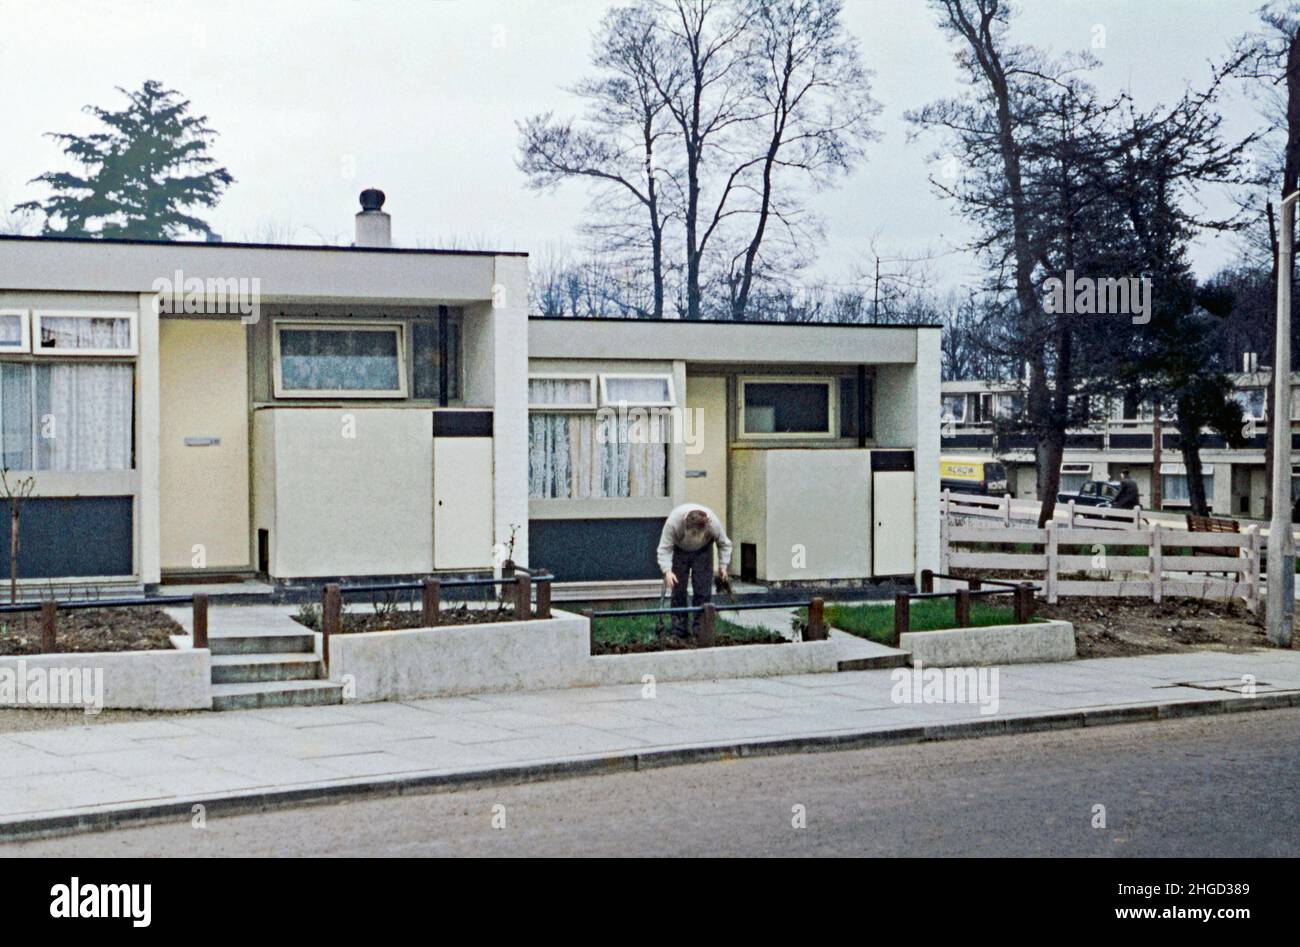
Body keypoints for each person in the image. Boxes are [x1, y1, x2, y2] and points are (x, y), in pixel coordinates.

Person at [656, 504, 733, 638]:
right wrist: (667, 571)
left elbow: (724, 544)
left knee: (703, 590)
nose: (695, 537)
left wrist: (723, 566)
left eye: (698, 534)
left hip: (703, 552)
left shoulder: (713, 523)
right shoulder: (674, 522)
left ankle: (701, 630)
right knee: (678, 590)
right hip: (679, 551)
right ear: (685, 526)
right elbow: (664, 548)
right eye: (692, 534)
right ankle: (679, 630)